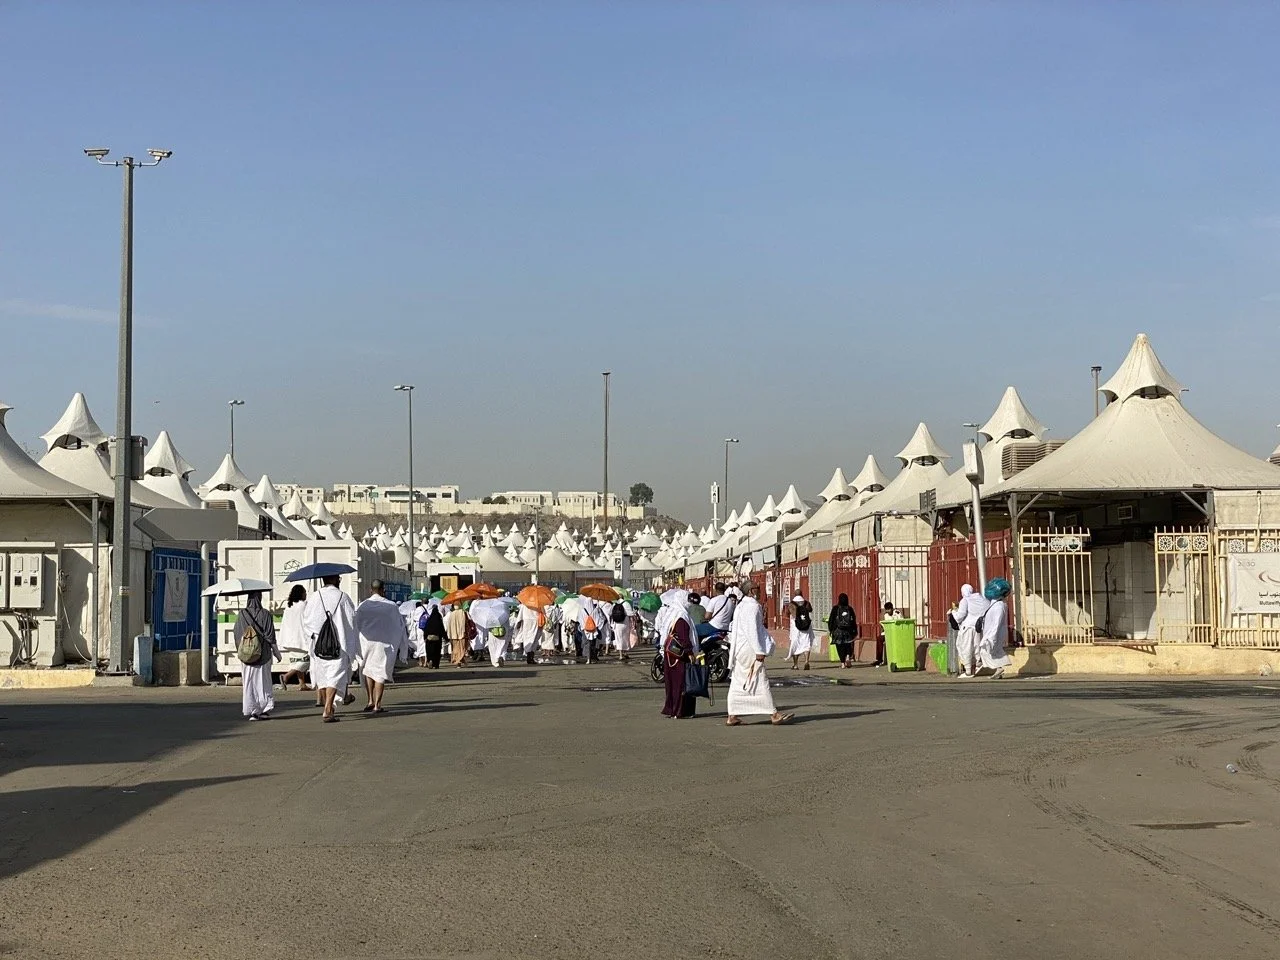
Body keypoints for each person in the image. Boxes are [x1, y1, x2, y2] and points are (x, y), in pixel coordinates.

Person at [725, 580, 792, 726]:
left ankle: (732, 715)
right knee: (760, 679)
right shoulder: (752, 607)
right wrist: (759, 650)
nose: (760, 590)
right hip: (749, 649)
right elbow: (752, 631)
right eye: (758, 588)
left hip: (740, 649)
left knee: (738, 681)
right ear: (751, 591)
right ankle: (774, 714)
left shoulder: (741, 605)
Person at [302, 575, 359, 722]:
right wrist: (351, 644)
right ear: (334, 580)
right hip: (339, 645)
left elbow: (306, 620)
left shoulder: (315, 597)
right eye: (338, 578)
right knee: (335, 676)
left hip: (320, 645)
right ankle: (328, 709)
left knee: (324, 677)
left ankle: (330, 706)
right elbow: (352, 621)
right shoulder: (343, 597)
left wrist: (314, 636)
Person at [355, 580, 405, 714]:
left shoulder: (363, 605)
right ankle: (377, 704)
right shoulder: (391, 606)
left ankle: (370, 700)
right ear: (383, 590)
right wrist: (401, 645)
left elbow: (356, 624)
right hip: (384, 644)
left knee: (368, 671)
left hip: (367, 643)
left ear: (371, 590)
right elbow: (399, 626)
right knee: (380, 672)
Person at [236, 591, 281, 721]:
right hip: (263, 655)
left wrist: (242, 650)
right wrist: (277, 653)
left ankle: (253, 711)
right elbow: (270, 637)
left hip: (246, 656)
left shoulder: (241, 614)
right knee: (264, 682)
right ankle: (264, 709)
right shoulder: (265, 614)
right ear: (260, 598)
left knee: (249, 683)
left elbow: (237, 634)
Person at [659, 590, 698, 719]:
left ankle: (671, 709)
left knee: (672, 682)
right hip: (679, 656)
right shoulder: (682, 616)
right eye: (687, 599)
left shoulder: (673, 612)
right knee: (681, 683)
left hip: (671, 654)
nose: (689, 603)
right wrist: (690, 652)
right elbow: (683, 636)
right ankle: (680, 710)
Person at [976, 578, 1013, 679]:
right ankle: (998, 670)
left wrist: (992, 637)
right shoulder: (997, 604)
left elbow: (996, 623)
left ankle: (998, 668)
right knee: (994, 652)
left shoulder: (999, 606)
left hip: (993, 634)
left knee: (985, 651)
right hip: (992, 633)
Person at [278, 584, 313, 692]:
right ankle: (286, 676)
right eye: (305, 592)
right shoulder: (304, 605)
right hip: (301, 638)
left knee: (297, 661)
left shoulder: (289, 606)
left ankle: (302, 684)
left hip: (290, 639)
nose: (306, 594)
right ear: (301, 594)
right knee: (307, 660)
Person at [954, 584, 991, 679]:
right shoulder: (983, 600)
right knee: (977, 647)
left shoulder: (965, 600)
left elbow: (960, 616)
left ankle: (968, 671)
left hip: (967, 628)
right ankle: (978, 663)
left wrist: (953, 612)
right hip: (979, 628)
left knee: (965, 648)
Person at [827, 593, 858, 668]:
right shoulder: (850, 609)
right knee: (848, 644)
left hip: (838, 631)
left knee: (840, 646)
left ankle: (842, 663)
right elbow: (853, 620)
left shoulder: (835, 608)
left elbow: (831, 620)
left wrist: (831, 630)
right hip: (848, 631)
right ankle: (848, 656)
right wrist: (854, 630)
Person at [787, 594, 815, 670]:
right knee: (806, 643)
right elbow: (810, 610)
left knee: (795, 644)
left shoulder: (791, 604)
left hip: (795, 627)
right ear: (802, 594)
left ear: (795, 594)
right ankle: (806, 661)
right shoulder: (806, 603)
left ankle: (795, 665)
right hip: (806, 626)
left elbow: (787, 613)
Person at [421, 603, 446, 669]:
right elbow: (442, 629)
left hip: (429, 639)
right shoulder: (438, 618)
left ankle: (430, 660)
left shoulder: (429, 619)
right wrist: (445, 637)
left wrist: (425, 637)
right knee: (437, 652)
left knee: (429, 651)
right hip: (437, 639)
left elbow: (426, 629)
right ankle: (436, 664)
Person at [610, 595, 634, 662]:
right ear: (623, 598)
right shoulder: (626, 603)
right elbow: (631, 614)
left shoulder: (614, 604)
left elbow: (610, 613)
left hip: (617, 624)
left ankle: (620, 655)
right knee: (625, 638)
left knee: (619, 639)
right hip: (625, 623)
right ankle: (625, 653)